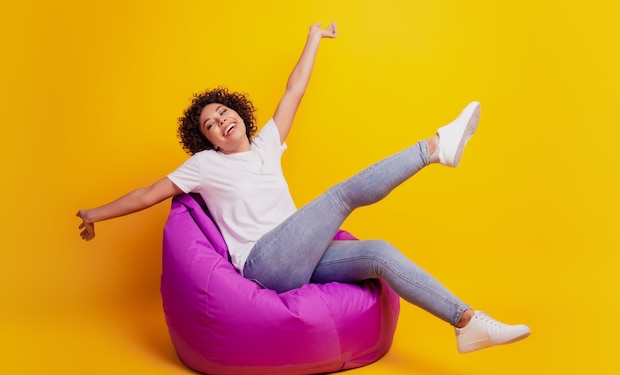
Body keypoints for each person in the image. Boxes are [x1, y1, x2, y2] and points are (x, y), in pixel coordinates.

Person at [77, 22, 530, 353]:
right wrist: (93, 216)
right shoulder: (203, 166)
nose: (220, 121)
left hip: (299, 254)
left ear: (239, 113)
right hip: (262, 264)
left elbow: (294, 91)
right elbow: (147, 194)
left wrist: (314, 37)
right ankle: (433, 147)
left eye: (223, 112)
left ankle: (467, 322)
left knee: (380, 254)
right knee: (339, 197)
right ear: (207, 139)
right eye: (210, 124)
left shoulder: (266, 145)